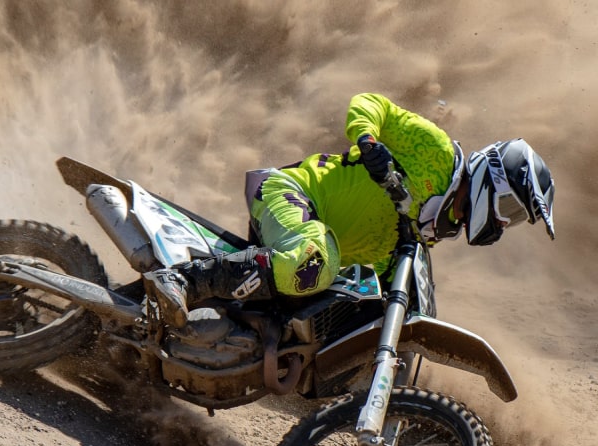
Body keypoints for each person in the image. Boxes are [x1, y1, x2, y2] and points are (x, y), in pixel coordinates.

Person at [144, 92, 555, 327]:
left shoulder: (433, 226)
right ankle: (182, 280)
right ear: (493, 178)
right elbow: (372, 103)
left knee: (355, 303)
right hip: (292, 193)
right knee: (315, 258)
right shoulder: (436, 152)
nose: (504, 222)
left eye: (515, 220)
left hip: (314, 252)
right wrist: (368, 140)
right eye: (510, 209)